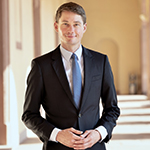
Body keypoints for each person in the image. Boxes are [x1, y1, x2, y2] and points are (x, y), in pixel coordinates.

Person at [22, 2, 120, 150]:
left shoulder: (101, 62)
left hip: (94, 147)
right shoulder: (41, 66)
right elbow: (29, 115)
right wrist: (57, 134)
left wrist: (99, 133)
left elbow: (112, 108)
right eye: (65, 24)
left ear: (84, 27)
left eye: (76, 24)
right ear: (56, 26)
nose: (71, 30)